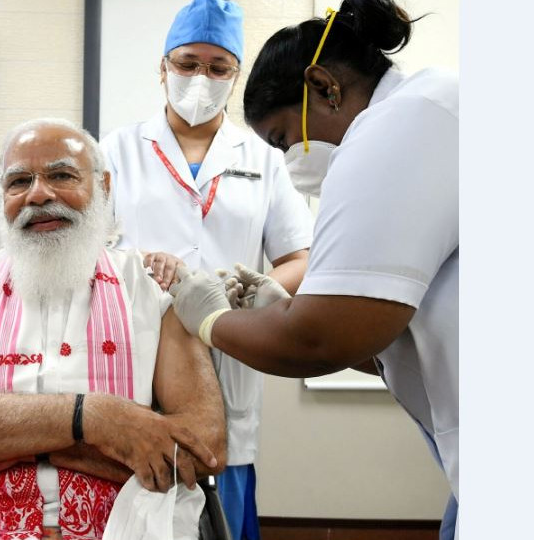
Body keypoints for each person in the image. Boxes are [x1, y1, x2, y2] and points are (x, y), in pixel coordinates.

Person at [168, 0, 459, 538]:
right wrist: (285, 311)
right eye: (185, 64)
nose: (288, 159)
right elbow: (382, 335)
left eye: (283, 139)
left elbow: (319, 341)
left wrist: (209, 317)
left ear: (324, 87)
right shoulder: (422, 113)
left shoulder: (397, 128)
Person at [0, 118, 227, 540]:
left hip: (124, 524)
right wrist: (96, 419)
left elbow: (204, 447)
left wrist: (3, 444)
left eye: (61, 175)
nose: (38, 193)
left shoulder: (151, 288)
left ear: (103, 186)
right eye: (19, 181)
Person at [99, 1, 314, 538]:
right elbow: (88, 252)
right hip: (136, 351)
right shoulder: (117, 151)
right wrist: (138, 269)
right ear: (164, 66)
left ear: (235, 75)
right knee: (134, 500)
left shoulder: (263, 157)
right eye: (188, 63)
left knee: (223, 497)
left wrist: (247, 292)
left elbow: (299, 257)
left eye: (219, 68)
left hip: (230, 350)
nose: (202, 78)